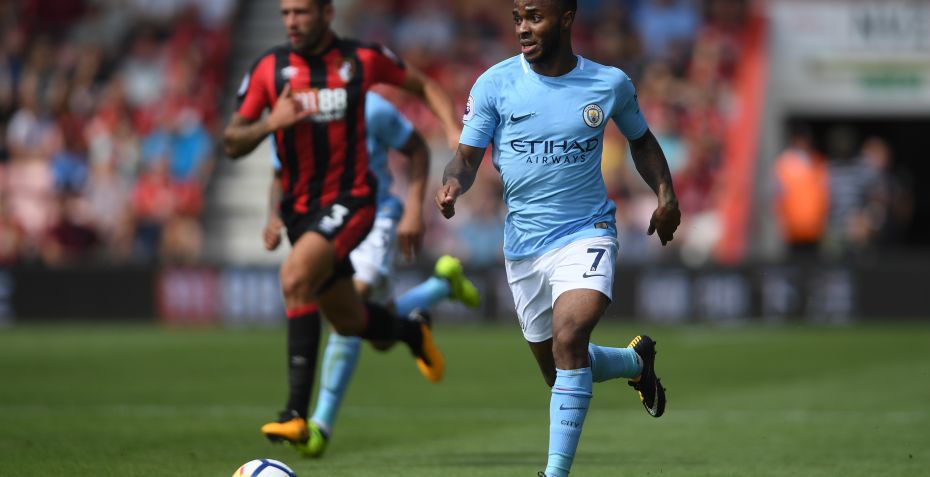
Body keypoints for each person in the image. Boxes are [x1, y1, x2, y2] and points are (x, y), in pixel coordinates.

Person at [435, 1, 681, 476]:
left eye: (534, 17)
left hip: (586, 231)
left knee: (570, 337)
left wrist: (665, 194)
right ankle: (634, 363)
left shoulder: (608, 83)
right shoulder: (494, 84)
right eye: (517, 19)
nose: (523, 29)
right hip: (523, 246)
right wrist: (452, 185)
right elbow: (465, 159)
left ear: (566, 18)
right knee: (560, 369)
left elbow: (641, 139)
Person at [222, 0, 462, 454]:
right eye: (285, 13)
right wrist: (271, 122)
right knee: (350, 320)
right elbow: (232, 141)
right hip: (301, 212)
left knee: (294, 276)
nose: (291, 21)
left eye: (301, 12)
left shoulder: (360, 60)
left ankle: (297, 416)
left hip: (353, 201)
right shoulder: (269, 69)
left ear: (327, 13)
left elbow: (424, 85)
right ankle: (411, 331)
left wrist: (453, 131)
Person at [263, 90, 480, 457]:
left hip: (374, 216)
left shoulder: (371, 107)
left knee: (353, 300)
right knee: (373, 331)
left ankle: (320, 425)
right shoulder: (290, 111)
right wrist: (273, 216)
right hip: (323, 224)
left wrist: (413, 210)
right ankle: (440, 288)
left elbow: (416, 148)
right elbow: (279, 172)